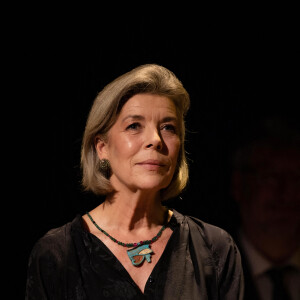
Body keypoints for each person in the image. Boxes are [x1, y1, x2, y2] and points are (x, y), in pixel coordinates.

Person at [25, 63, 244, 299]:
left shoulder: (213, 249)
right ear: (102, 147)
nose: (155, 139)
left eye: (168, 127)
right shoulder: (57, 254)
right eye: (134, 126)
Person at [229, 115, 300, 300]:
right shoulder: (207, 274)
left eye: (296, 178)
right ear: (239, 184)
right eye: (269, 177)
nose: (285, 191)